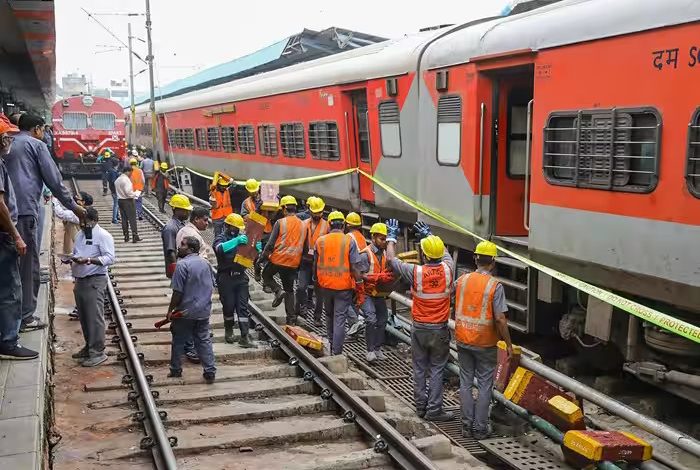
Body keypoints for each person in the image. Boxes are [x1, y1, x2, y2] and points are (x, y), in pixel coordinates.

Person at [5, 113, 86, 331]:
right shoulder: (36, 145)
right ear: (38, 129)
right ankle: (25, 317)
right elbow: (54, 181)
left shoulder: (8, 142)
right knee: (27, 264)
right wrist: (74, 207)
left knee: (9, 265)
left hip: (6, 211)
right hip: (24, 210)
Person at [386, 219, 454, 422]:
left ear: (423, 254)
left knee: (419, 368)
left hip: (419, 329)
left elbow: (391, 260)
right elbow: (446, 254)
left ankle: (421, 407)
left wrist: (391, 237)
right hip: (439, 330)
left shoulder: (416, 272)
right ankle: (435, 410)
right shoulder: (449, 269)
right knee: (436, 369)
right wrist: (429, 234)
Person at [455, 240, 514, 440]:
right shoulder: (494, 285)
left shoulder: (462, 280)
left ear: (475, 258)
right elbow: (500, 318)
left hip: (463, 339)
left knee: (465, 382)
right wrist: (508, 344)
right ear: (493, 262)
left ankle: (465, 426)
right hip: (485, 343)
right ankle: (480, 429)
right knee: (484, 386)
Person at [0, 114, 37, 359]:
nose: (8, 140)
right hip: (4, 236)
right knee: (11, 291)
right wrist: (16, 235)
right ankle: (9, 342)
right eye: (5, 136)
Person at [68, 207, 115, 367]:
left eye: (85, 221)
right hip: (80, 279)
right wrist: (72, 259)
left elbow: (110, 258)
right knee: (84, 316)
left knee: (94, 317)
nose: (83, 224)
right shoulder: (80, 235)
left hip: (95, 280)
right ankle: (89, 347)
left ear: (94, 221)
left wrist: (89, 260)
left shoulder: (103, 236)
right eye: (81, 221)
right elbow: (78, 252)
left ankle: (98, 352)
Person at [167, 236, 216, 383]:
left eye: (182, 245)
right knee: (203, 340)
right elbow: (212, 284)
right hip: (203, 311)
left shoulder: (182, 265)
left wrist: (170, 310)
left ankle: (176, 370)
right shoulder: (205, 264)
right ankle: (210, 371)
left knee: (178, 340)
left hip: (185, 312)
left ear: (191, 249)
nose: (179, 247)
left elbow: (177, 292)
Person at [314, 211, 363, 355]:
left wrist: (316, 282)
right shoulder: (349, 241)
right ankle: (337, 352)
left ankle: (330, 343)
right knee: (340, 318)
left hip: (325, 285)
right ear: (343, 225)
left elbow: (315, 265)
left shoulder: (320, 241)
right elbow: (355, 268)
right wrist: (359, 287)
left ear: (329, 224)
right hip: (343, 287)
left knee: (329, 315)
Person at [213, 213, 261, 347]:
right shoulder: (221, 237)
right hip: (225, 277)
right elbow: (218, 249)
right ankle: (229, 332)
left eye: (238, 228)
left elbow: (249, 259)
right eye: (233, 227)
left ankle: (244, 336)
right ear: (227, 225)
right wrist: (236, 241)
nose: (236, 230)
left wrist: (255, 249)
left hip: (240, 277)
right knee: (228, 306)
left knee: (242, 307)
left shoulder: (243, 238)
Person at [161, 194, 198, 363]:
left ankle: (187, 342)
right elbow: (171, 252)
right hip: (179, 270)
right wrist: (178, 272)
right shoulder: (170, 228)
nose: (187, 213)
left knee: (186, 305)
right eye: (185, 210)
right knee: (184, 307)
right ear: (176, 210)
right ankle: (188, 347)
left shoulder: (180, 225)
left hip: (184, 269)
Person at [260, 195, 303, 325]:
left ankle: (278, 291)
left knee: (266, 275)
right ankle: (291, 319)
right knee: (290, 290)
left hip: (279, 259)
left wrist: (262, 257)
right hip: (294, 261)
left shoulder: (281, 222)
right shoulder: (302, 224)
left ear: (284, 209)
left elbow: (270, 243)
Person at [357, 223, 394, 362]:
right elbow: (359, 275)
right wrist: (374, 278)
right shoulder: (365, 255)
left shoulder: (385, 254)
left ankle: (377, 348)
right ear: (373, 238)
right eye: (381, 239)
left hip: (378, 293)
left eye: (385, 239)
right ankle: (370, 350)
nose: (384, 242)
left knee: (383, 320)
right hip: (367, 293)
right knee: (371, 319)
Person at [297, 196, 329, 326]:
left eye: (319, 212)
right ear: (310, 211)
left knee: (319, 292)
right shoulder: (304, 224)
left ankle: (317, 317)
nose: (317, 214)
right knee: (300, 287)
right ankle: (302, 308)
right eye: (315, 212)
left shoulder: (327, 226)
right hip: (305, 261)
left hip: (319, 263)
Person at [240, 178, 273, 283]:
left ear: (258, 189)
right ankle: (257, 271)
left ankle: (267, 280)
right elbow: (245, 218)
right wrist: (256, 211)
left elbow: (272, 215)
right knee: (256, 255)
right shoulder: (246, 203)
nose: (254, 193)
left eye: (255, 190)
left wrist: (276, 203)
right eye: (251, 191)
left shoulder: (266, 199)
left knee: (268, 256)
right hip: (254, 232)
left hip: (267, 231)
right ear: (248, 191)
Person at [114, 166, 141, 243]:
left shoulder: (117, 180)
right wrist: (136, 194)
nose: (131, 174)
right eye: (131, 173)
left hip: (120, 201)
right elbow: (128, 192)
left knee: (124, 219)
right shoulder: (126, 180)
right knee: (132, 219)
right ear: (127, 171)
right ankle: (135, 236)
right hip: (128, 201)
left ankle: (126, 236)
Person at [107, 158, 121, 224]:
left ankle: (117, 216)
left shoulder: (111, 170)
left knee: (116, 203)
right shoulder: (113, 171)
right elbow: (113, 181)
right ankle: (114, 219)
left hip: (113, 189)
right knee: (116, 204)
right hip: (115, 190)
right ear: (117, 164)